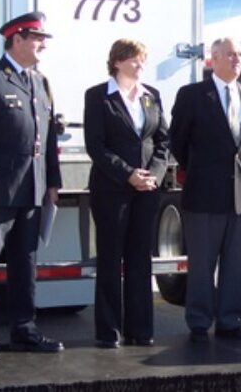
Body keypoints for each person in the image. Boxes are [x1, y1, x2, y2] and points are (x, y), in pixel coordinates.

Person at [0, 11, 63, 362]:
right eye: (36, 38)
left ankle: (24, 329)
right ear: (16, 40)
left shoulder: (41, 82)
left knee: (25, 264)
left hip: (32, 190)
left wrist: (52, 181)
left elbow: (47, 138)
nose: (42, 44)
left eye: (43, 39)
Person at [169, 37, 241, 343]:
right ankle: (199, 321)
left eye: (240, 54)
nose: (237, 59)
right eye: (231, 54)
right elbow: (178, 141)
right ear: (214, 58)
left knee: (236, 265)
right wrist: (198, 169)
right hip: (205, 193)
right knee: (202, 264)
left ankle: (230, 320)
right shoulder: (193, 95)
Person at [83, 39, 169, 349]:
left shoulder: (151, 97)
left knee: (139, 260)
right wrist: (127, 174)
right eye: (134, 60)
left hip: (146, 190)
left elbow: (163, 142)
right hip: (111, 190)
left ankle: (141, 329)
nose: (140, 65)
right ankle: (109, 331)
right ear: (117, 62)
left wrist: (154, 176)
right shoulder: (98, 97)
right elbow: (96, 146)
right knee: (110, 258)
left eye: (142, 60)